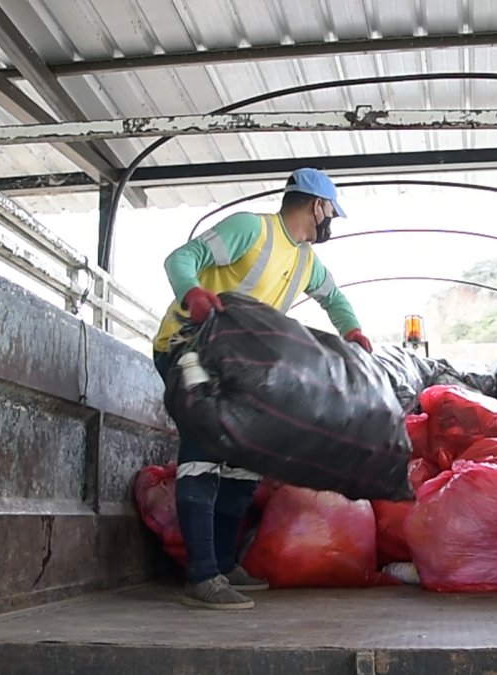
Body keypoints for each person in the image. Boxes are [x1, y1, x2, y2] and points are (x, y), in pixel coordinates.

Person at [151, 168, 372, 610]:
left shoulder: (305, 259)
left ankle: (224, 563)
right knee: (204, 456)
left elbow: (334, 297)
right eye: (332, 212)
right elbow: (181, 257)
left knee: (244, 463)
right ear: (318, 205)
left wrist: (352, 331)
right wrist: (191, 292)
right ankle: (202, 577)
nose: (331, 221)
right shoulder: (251, 229)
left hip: (236, 364)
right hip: (188, 350)